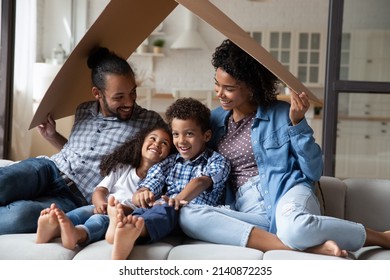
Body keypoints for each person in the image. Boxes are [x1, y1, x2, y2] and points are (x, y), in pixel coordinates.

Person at [179, 39, 390, 257]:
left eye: (229, 88)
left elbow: (314, 171)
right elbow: (192, 157)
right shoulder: (214, 121)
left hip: (288, 193)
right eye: (217, 84)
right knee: (188, 215)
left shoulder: (282, 113)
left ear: (250, 87)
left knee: (294, 228)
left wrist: (298, 123)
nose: (219, 93)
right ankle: (300, 244)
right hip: (247, 208)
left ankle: (381, 237)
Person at [0, 47, 164, 234]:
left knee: (19, 218)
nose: (129, 102)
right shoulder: (83, 110)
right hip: (49, 168)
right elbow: (77, 152)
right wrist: (52, 136)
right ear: (97, 93)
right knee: (4, 182)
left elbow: (176, 149)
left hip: (77, 197)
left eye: (132, 93)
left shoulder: (150, 123)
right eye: (119, 97)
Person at [109, 98, 231, 260]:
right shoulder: (170, 161)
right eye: (176, 134)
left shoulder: (217, 161)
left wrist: (179, 200)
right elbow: (154, 177)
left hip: (192, 213)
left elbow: (201, 182)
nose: (181, 141)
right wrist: (143, 191)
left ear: (206, 136)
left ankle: (134, 230)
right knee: (145, 209)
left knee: (167, 209)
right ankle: (120, 226)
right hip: (162, 209)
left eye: (189, 134)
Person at [35, 124, 174, 249]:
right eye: (152, 138)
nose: (157, 144)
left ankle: (78, 234)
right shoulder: (123, 167)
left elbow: (144, 211)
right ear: (142, 141)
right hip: (103, 206)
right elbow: (100, 190)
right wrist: (101, 203)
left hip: (118, 216)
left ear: (170, 154)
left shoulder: (161, 182)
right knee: (83, 211)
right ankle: (54, 226)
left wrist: (115, 210)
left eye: (164, 143)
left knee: (99, 221)